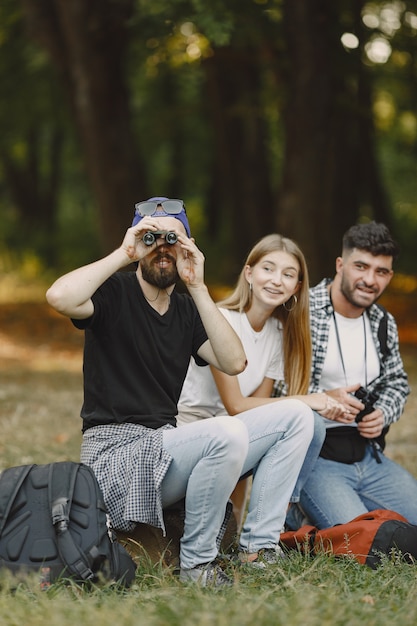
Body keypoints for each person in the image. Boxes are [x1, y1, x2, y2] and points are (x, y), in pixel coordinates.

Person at [46, 197, 313, 587]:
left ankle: (257, 549)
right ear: (137, 244)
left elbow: (234, 361)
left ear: (188, 246)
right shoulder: (113, 293)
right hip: (114, 459)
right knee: (228, 430)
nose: (162, 249)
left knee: (296, 416)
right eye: (151, 238)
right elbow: (58, 296)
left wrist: (199, 287)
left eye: (173, 240)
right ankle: (198, 566)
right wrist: (124, 252)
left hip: (165, 448)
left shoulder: (188, 311)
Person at [177, 233, 347, 557]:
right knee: (302, 412)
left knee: (313, 424)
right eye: (268, 268)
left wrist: (234, 520)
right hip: (192, 432)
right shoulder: (221, 321)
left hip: (231, 433)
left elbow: (254, 417)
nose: (276, 280)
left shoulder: (277, 334)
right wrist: (309, 399)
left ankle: (264, 535)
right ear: (249, 274)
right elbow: (236, 405)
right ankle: (261, 537)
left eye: (288, 274)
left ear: (297, 288)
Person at [286, 221, 417, 531]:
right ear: (340, 265)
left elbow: (397, 382)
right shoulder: (300, 313)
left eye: (381, 271)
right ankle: (298, 514)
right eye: (361, 266)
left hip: (369, 458)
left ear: (389, 276)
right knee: (363, 538)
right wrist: (323, 400)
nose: (369, 280)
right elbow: (276, 393)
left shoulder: (383, 321)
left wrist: (384, 412)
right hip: (315, 460)